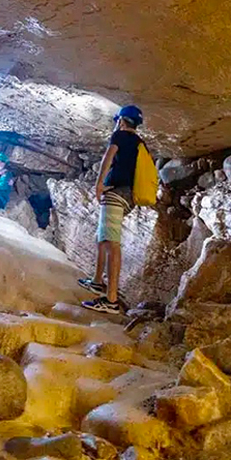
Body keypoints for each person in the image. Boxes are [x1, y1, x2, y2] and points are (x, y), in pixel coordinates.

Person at [79, 105, 145, 315]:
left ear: (122, 121)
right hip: (126, 195)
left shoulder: (120, 135)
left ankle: (111, 300)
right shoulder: (139, 143)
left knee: (111, 242)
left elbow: (108, 158)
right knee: (102, 237)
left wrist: (99, 184)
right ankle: (98, 281)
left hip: (117, 194)